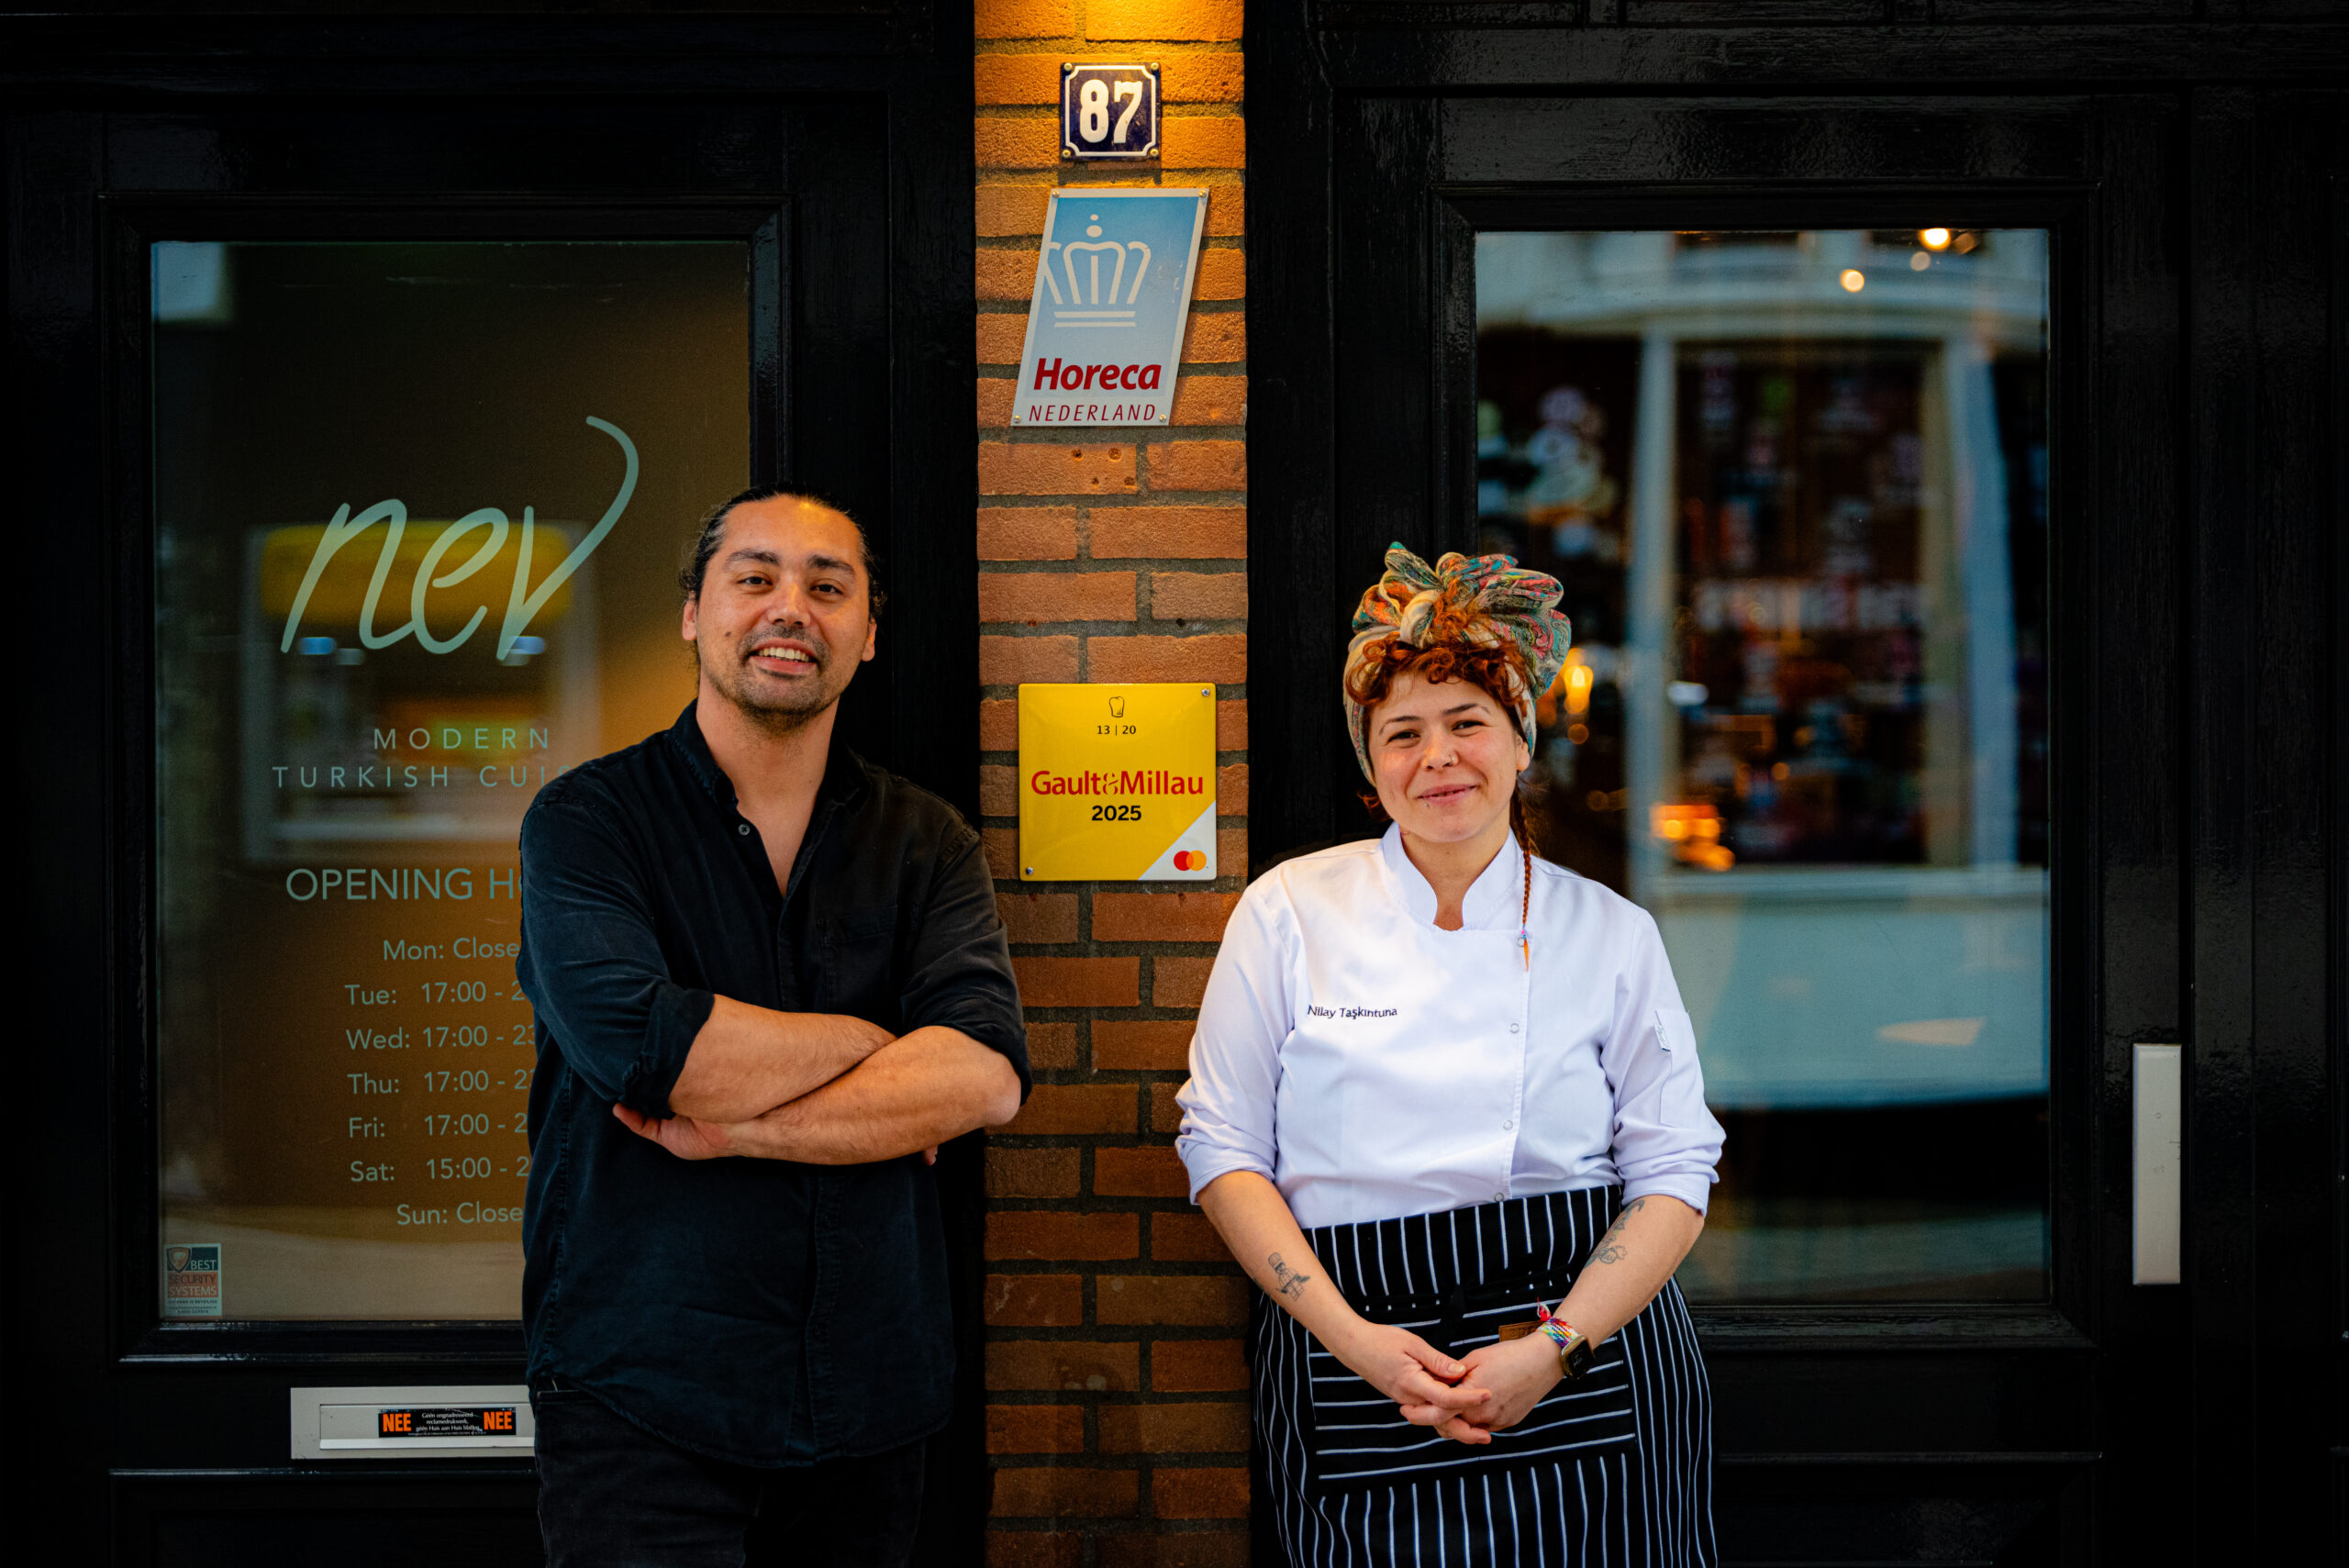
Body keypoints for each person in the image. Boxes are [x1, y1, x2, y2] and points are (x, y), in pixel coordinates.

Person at [1176, 544, 1726, 1566]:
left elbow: (1671, 1170)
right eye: (1402, 733)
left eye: (1468, 722)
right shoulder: (1289, 910)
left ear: (1521, 742)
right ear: (1369, 762)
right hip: (1357, 1354)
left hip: (1582, 1356)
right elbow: (1220, 1149)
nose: (1438, 758)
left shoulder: (1607, 930)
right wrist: (1353, 1341)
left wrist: (1551, 1348)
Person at [517, 488, 1030, 1568]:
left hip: (867, 1402)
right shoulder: (587, 823)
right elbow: (647, 1050)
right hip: (641, 1397)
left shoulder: (926, 841)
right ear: (694, 613)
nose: (790, 607)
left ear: (869, 633)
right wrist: (875, 1047)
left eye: (826, 586)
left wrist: (734, 1125)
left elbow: (981, 1078)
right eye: (754, 578)